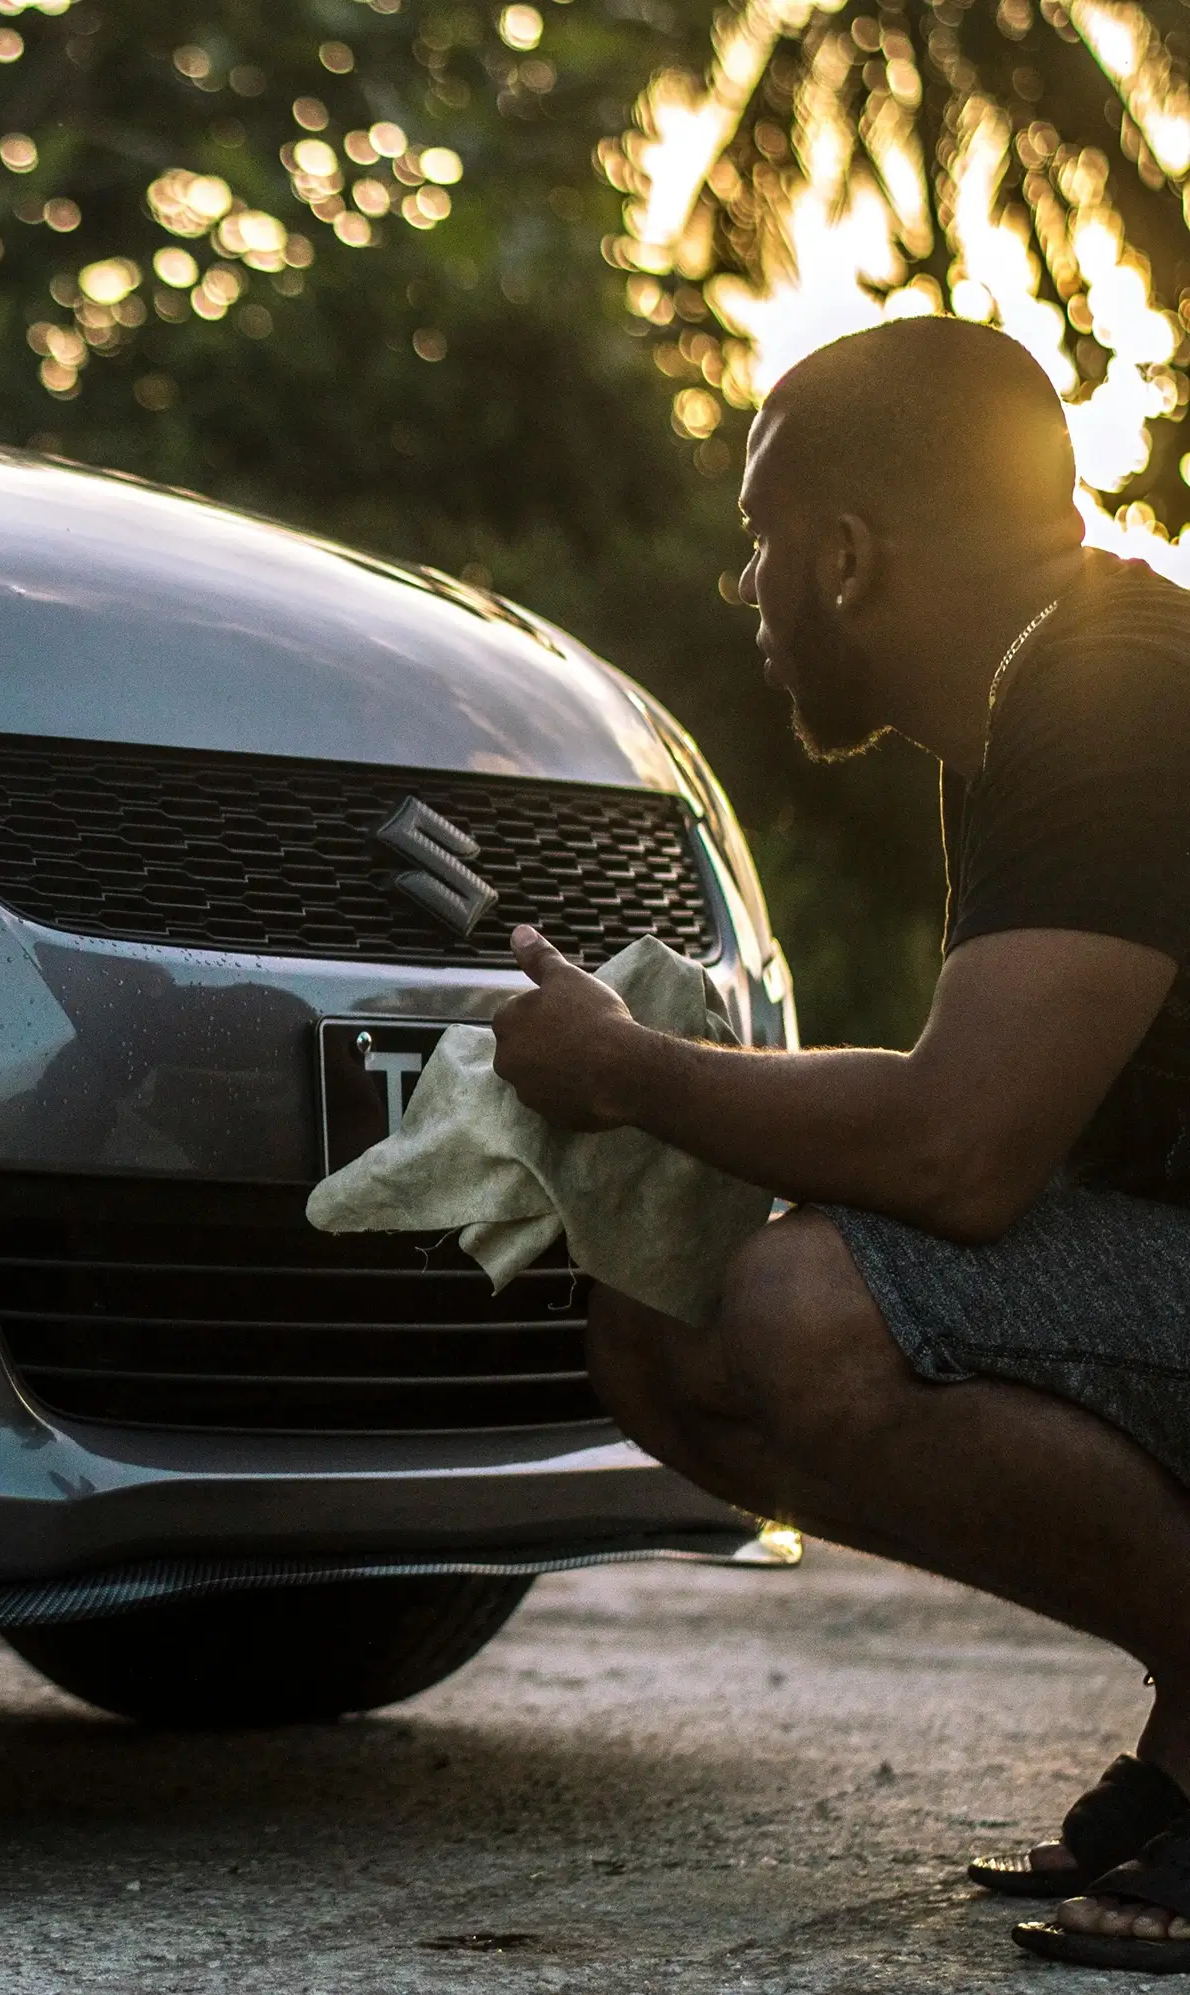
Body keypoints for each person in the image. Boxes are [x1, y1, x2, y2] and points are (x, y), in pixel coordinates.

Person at [487, 313, 1190, 1974]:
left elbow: (965, 1150)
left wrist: (634, 1070)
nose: (749, 589)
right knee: (668, 1329)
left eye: (761, 543)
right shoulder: (1053, 690)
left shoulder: (1112, 698)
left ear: (852, 555)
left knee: (810, 1308)